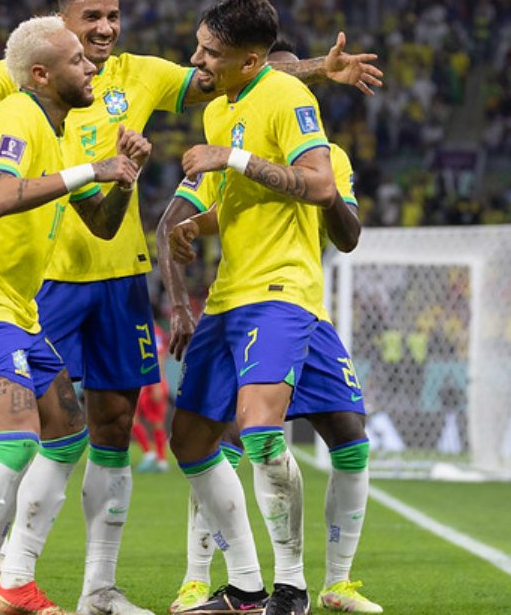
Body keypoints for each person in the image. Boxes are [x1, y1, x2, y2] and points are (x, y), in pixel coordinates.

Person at [0, 0, 381, 615]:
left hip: (118, 285)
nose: (106, 29)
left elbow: (238, 75)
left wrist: (313, 71)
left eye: (113, 16)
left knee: (95, 430)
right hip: (39, 290)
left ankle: (96, 590)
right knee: (19, 436)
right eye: (91, 20)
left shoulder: (139, 76)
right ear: (60, 32)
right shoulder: (36, 87)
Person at [0, 15, 151, 615]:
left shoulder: (62, 131)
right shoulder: (19, 114)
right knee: (17, 444)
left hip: (17, 310)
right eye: (77, 59)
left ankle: (15, 581)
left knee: (68, 433)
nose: (91, 65)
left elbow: (99, 224)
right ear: (42, 74)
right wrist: (91, 170)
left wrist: (123, 177)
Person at [158, 41, 382, 614]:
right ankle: (208, 576)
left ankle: (330, 583)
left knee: (349, 439)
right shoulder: (226, 127)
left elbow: (348, 234)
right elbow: (224, 212)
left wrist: (322, 188)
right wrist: (195, 230)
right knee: (225, 439)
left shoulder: (324, 151)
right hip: (244, 301)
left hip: (299, 305)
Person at [132, 322, 170, 473]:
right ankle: (149, 453)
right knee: (132, 418)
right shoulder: (134, 327)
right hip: (139, 381)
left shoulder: (154, 331)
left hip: (153, 382)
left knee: (156, 422)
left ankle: (161, 460)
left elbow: (159, 356)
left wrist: (157, 383)